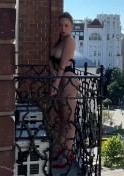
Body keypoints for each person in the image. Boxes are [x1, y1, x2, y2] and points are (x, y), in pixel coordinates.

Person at [49, 12, 79, 168]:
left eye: (66, 25)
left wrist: (54, 83)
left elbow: (62, 65)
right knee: (62, 117)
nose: (63, 28)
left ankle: (68, 155)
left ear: (72, 27)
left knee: (68, 119)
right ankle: (62, 150)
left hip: (68, 80)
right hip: (61, 80)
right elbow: (51, 60)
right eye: (60, 25)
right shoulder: (60, 41)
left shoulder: (70, 41)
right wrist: (52, 73)